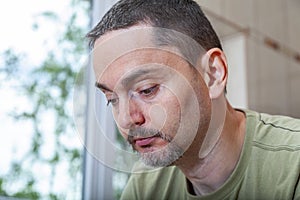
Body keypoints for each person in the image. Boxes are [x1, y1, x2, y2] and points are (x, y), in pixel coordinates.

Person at [86, 0, 300, 199]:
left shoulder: (293, 165)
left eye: (147, 90)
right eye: (111, 99)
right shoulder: (146, 186)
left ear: (213, 74)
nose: (126, 119)